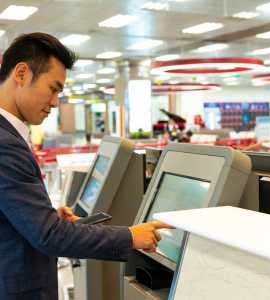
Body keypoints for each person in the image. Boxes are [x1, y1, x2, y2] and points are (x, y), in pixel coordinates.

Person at [0, 32, 172, 300]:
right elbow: (49, 237)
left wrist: (44, 216)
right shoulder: (5, 143)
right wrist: (131, 237)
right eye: (53, 88)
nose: (56, 102)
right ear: (21, 73)